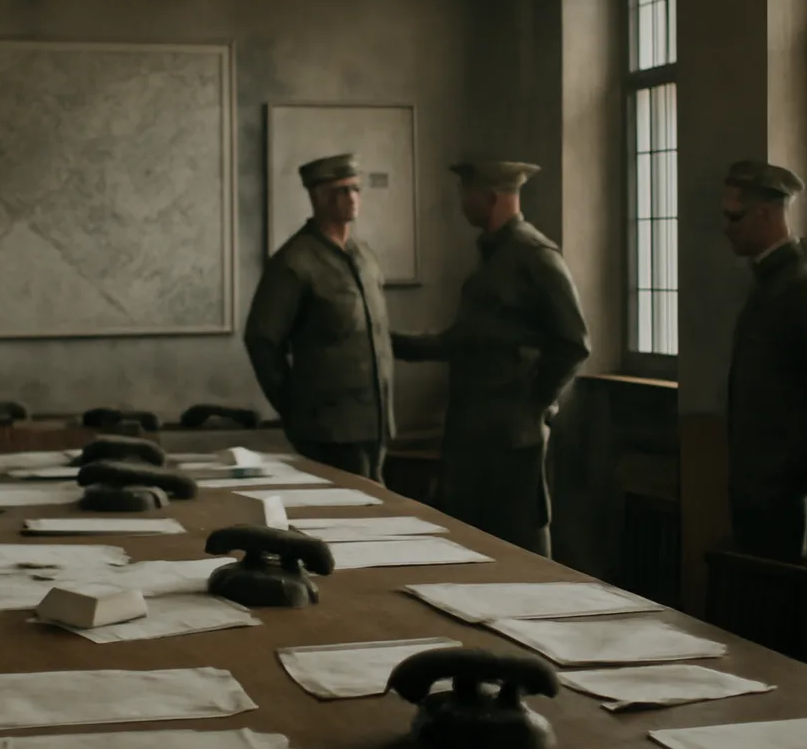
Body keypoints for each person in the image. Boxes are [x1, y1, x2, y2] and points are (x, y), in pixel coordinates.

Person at [391, 160, 589, 557]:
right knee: (470, 546)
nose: (462, 202)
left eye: (467, 193)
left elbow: (574, 343)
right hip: (474, 434)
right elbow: (465, 341)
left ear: (491, 198)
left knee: (519, 550)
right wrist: (389, 340)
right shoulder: (494, 257)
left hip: (511, 441)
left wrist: (533, 403)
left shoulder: (534, 256)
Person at [244, 153, 393, 481]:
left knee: (378, 517)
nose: (353, 198)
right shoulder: (294, 262)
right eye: (341, 191)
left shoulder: (363, 256)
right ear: (318, 197)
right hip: (328, 429)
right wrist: (295, 409)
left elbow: (370, 333)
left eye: (356, 189)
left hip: (374, 422)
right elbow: (262, 340)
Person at [722, 159, 807, 563]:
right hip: (761, 488)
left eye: (734, 217)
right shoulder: (769, 284)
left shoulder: (796, 288)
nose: (727, 228)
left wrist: (786, 478)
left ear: (764, 213)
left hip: (785, 493)